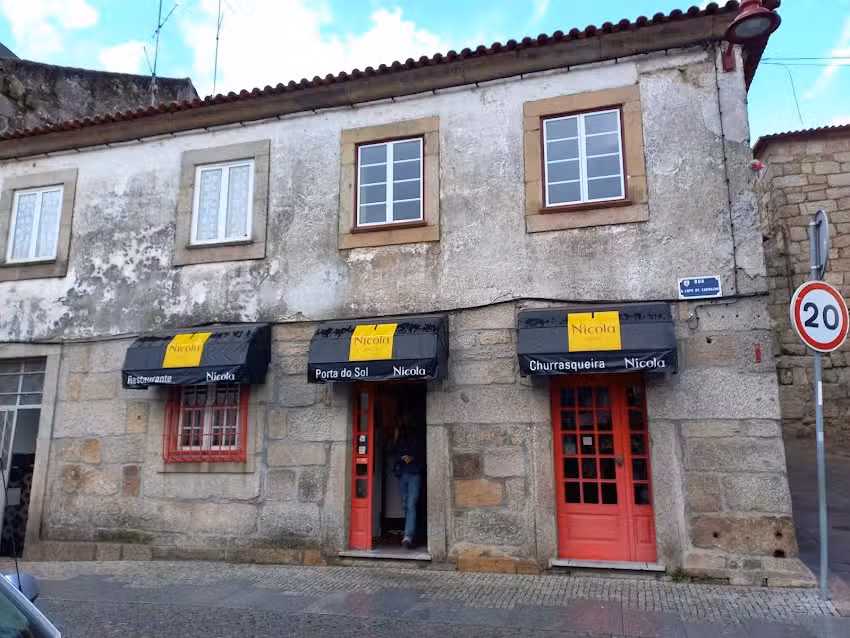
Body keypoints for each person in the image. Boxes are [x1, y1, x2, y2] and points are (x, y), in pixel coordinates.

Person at [392, 416, 424, 549]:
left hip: (415, 473)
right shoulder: (400, 436)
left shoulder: (419, 436)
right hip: (403, 473)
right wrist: (402, 457)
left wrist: (413, 458)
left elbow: (422, 453)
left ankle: (408, 536)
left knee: (411, 504)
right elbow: (393, 452)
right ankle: (409, 533)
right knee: (406, 504)